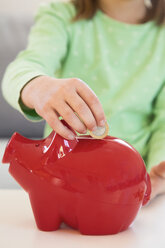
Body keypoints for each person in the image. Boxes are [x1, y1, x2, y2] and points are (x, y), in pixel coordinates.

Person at [1, 0, 165, 200]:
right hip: (62, 180)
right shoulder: (62, 15)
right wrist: (37, 86)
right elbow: (25, 66)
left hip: (131, 189)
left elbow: (163, 122)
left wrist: (158, 171)